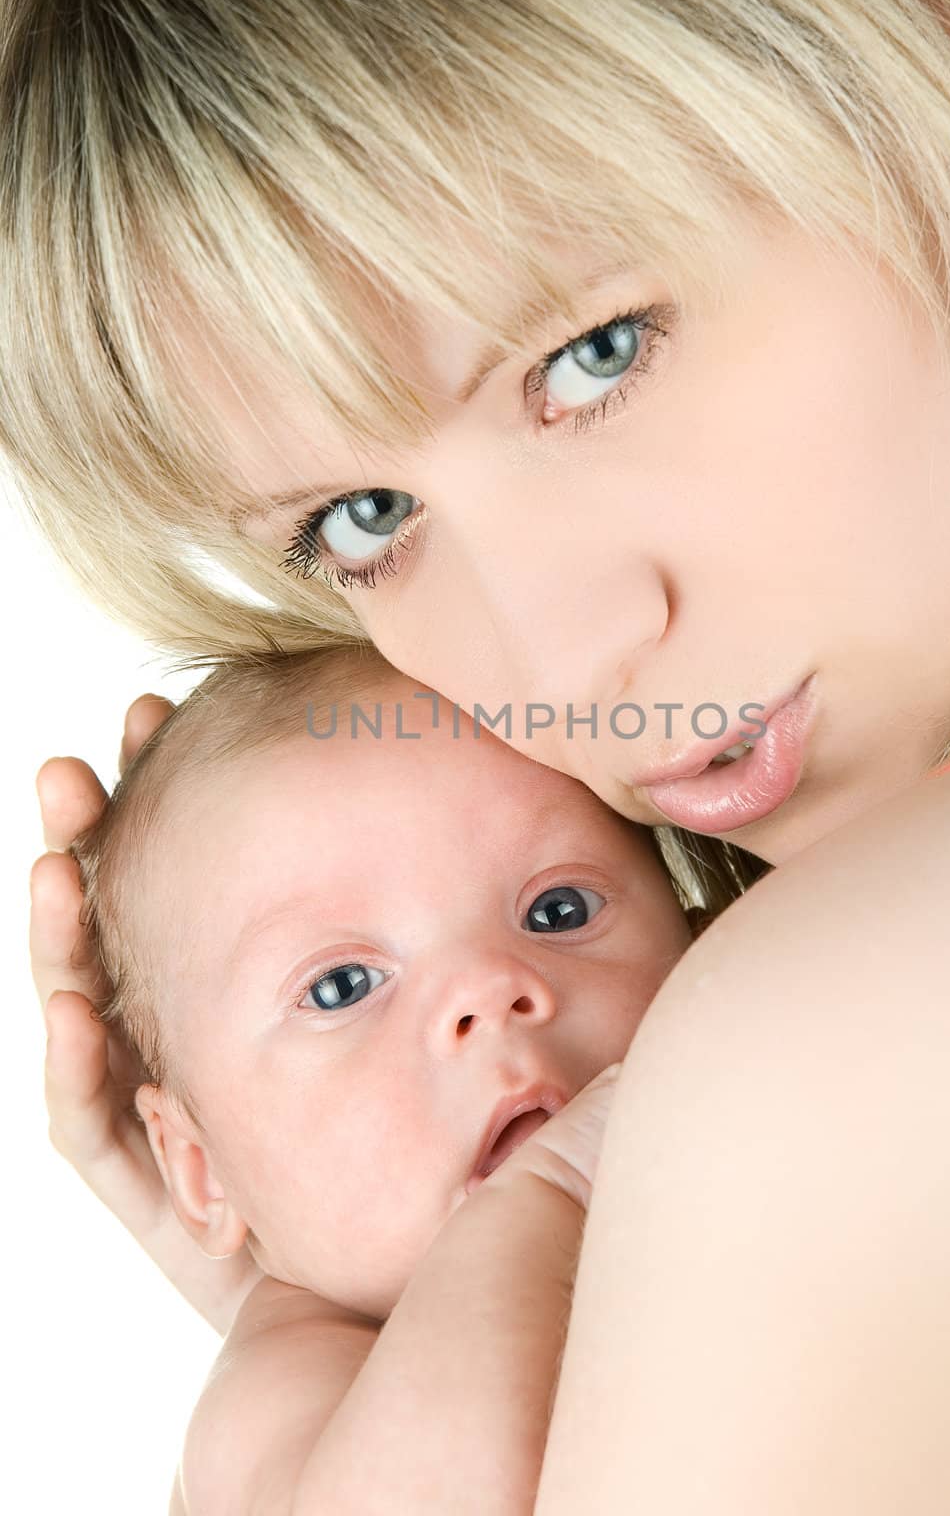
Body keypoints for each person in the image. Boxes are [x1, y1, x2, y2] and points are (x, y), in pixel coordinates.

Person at [7, 0, 950, 1507]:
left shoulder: (843, 1027)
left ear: (915, 61)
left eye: (596, 353)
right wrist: (362, 1315)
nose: (563, 664)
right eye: (360, 519)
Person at [70, 640, 703, 1513]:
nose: (489, 987)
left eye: (557, 910)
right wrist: (546, 1190)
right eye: (342, 986)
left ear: (702, 933)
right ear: (200, 1170)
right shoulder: (285, 1387)